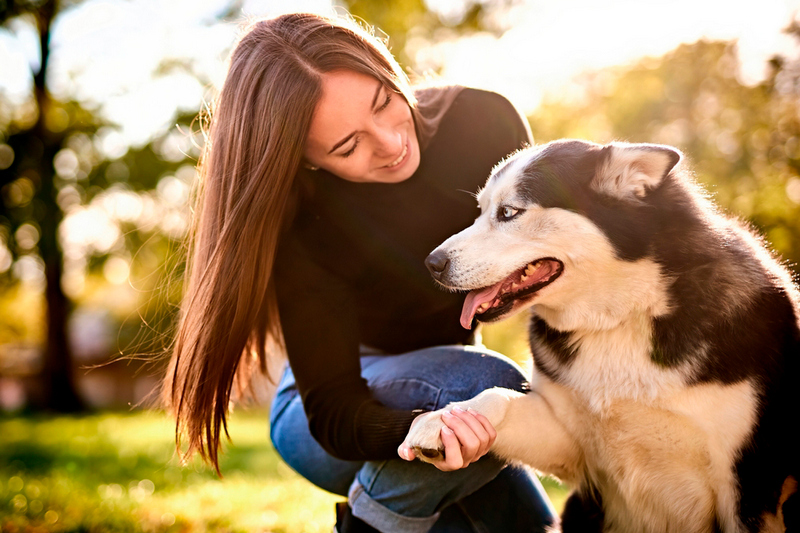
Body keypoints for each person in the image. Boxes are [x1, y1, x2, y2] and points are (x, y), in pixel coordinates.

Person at [164, 11, 558, 533]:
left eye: (384, 102)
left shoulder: (486, 122)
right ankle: (370, 524)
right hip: (330, 412)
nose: (391, 143)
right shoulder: (303, 223)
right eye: (347, 145)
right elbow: (331, 409)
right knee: (488, 389)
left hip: (453, 375)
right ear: (305, 159)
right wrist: (420, 429)